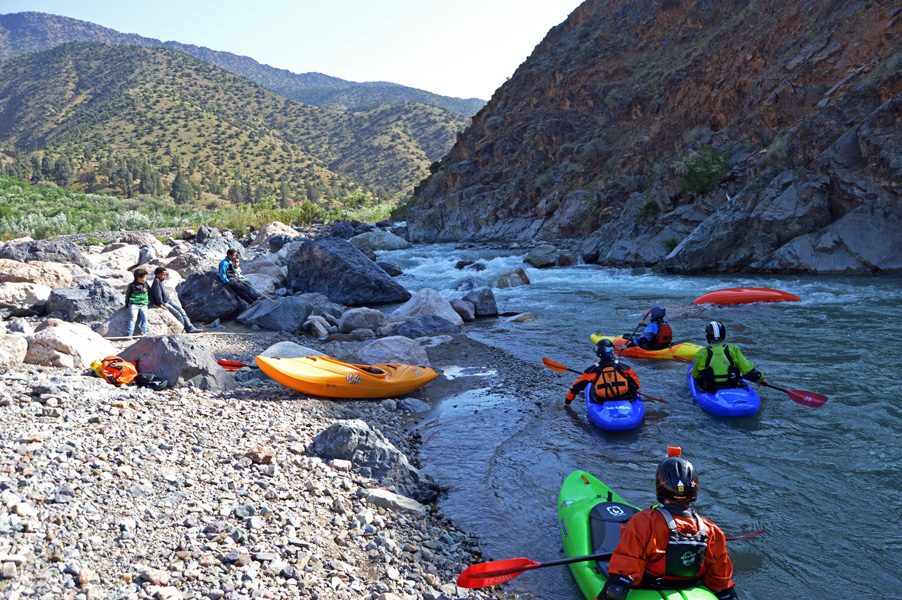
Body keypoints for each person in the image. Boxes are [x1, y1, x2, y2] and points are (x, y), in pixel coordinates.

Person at [597, 447, 739, 600]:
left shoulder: (644, 521)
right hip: (687, 587)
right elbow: (721, 584)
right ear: (694, 490)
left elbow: (622, 578)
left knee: (614, 590)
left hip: (647, 587)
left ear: (660, 486)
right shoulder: (713, 531)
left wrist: (617, 585)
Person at [691, 321, 766, 392]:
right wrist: (760, 378)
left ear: (707, 336)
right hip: (732, 386)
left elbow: (696, 376)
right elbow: (748, 370)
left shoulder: (701, 353)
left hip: (711, 389)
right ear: (723, 335)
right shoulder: (733, 349)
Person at [565, 339, 641, 405]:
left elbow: (575, 388)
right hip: (624, 397)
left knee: (591, 386)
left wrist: (567, 402)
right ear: (612, 351)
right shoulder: (625, 367)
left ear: (597, 353)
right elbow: (636, 385)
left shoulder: (591, 370)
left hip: (601, 400)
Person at [150, 267, 200, 333]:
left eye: (165, 275)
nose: (164, 277)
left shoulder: (161, 281)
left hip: (167, 300)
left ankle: (191, 327)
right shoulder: (156, 281)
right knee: (177, 314)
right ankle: (185, 328)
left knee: (182, 311)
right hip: (163, 302)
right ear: (157, 274)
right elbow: (157, 294)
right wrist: (160, 304)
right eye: (162, 275)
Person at [122, 268, 149, 337]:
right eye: (143, 278)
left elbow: (151, 294)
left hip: (143, 304)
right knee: (133, 318)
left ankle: (143, 332)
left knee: (145, 317)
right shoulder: (132, 285)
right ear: (138, 278)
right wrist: (126, 305)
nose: (145, 279)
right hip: (134, 304)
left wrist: (155, 303)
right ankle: (129, 333)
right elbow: (128, 295)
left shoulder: (146, 284)